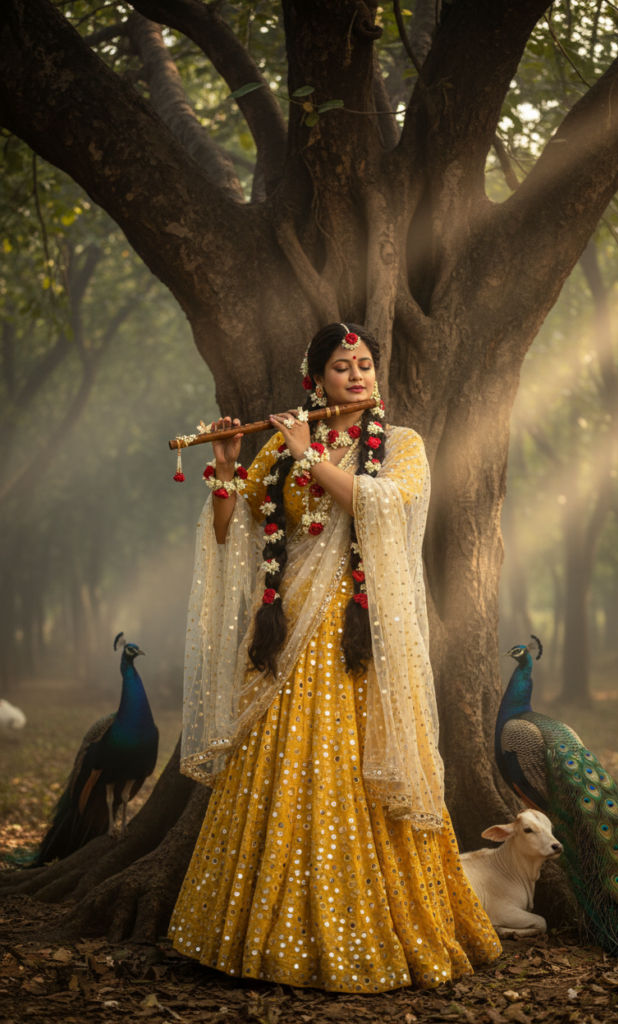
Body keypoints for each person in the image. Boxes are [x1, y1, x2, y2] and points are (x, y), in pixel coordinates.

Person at [169, 323, 500, 992]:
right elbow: (235, 533)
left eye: (364, 364)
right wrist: (232, 463)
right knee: (279, 772)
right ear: (315, 379)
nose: (355, 375)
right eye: (341, 366)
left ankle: (370, 926)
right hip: (285, 637)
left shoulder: (401, 446)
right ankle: (258, 934)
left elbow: (386, 507)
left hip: (359, 641)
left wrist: (308, 456)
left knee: (353, 773)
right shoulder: (286, 445)